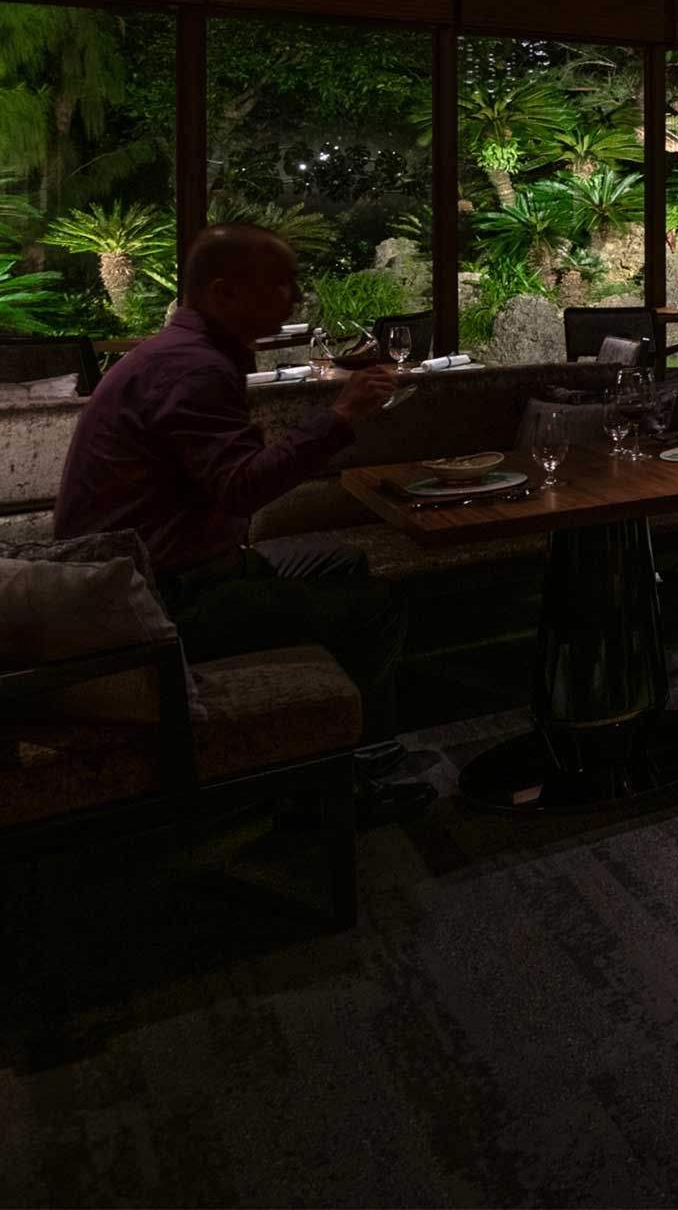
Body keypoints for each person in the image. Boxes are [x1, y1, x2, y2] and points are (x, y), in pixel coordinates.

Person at [55, 224, 418, 802]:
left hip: (175, 572)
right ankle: (338, 788)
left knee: (344, 562)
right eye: (280, 284)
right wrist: (343, 415)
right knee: (374, 608)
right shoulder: (193, 369)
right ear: (223, 293)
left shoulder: (183, 356)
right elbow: (241, 488)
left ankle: (343, 753)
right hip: (161, 599)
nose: (295, 297)